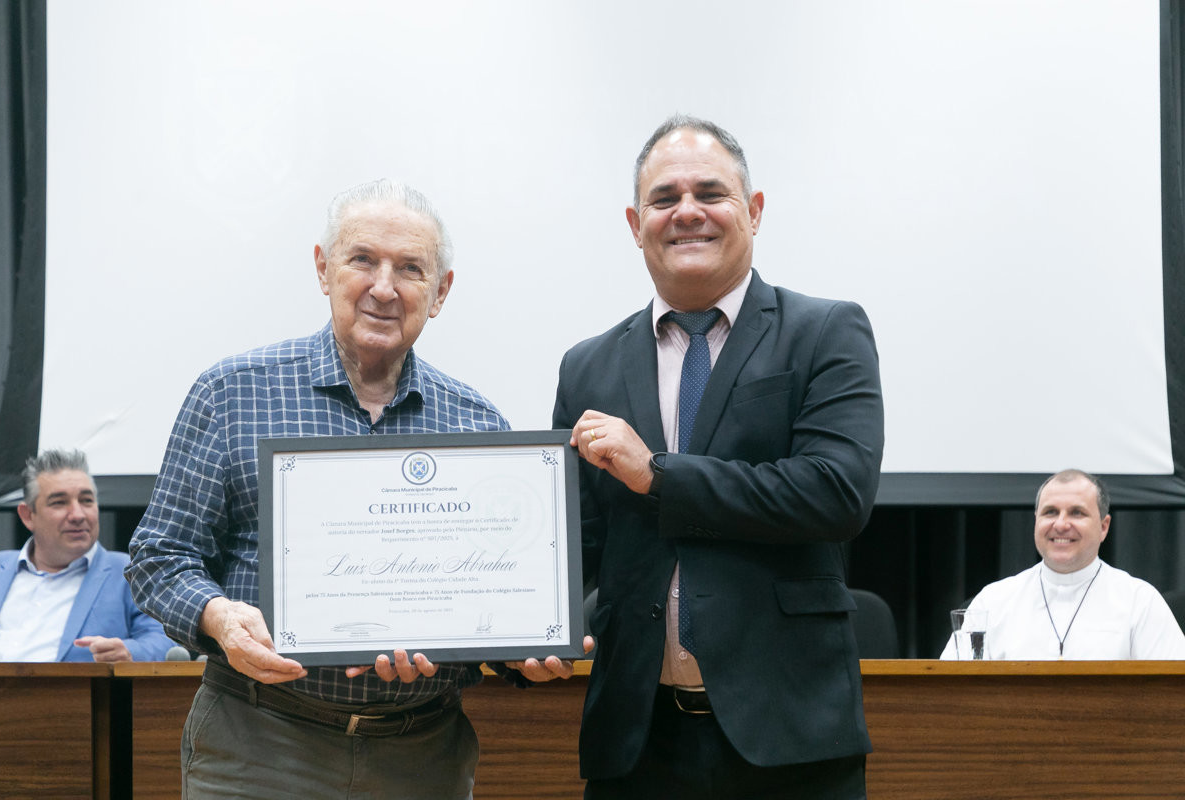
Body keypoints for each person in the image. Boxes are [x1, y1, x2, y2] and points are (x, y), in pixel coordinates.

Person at [126, 179, 580, 799]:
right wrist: (220, 618)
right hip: (259, 745)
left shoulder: (479, 424)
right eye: (362, 259)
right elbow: (158, 558)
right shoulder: (233, 393)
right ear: (323, 269)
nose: (384, 287)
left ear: (440, 292)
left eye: (411, 269)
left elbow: (491, 606)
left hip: (422, 756)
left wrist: (521, 645)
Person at [554, 116, 885, 798]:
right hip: (638, 747)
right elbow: (570, 545)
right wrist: (517, 629)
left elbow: (836, 492)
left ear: (754, 211)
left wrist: (659, 476)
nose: (687, 213)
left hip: (789, 742)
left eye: (711, 192)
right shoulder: (586, 365)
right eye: (665, 198)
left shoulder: (825, 331)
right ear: (634, 220)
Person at [939, 469, 1185, 660]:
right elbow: (951, 693)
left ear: (1103, 527)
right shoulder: (993, 601)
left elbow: (1173, 694)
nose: (1061, 524)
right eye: (1050, 512)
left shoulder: (1140, 601)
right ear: (1036, 521)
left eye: (1077, 513)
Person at [0, 449, 173, 662]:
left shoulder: (131, 572)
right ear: (28, 516)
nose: (77, 515)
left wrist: (130, 652)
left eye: (86, 501)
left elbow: (166, 641)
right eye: (59, 502)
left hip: (71, 694)